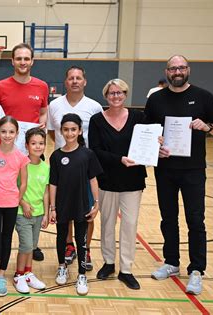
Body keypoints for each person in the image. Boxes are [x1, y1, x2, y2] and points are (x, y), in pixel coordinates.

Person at [145, 55, 213, 295]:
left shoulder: (203, 96)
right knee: (168, 218)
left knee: (195, 220)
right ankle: (171, 262)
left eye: (181, 67)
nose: (177, 72)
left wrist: (208, 127)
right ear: (167, 72)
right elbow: (148, 132)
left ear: (188, 70)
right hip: (165, 169)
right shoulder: (156, 99)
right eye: (173, 68)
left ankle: (197, 270)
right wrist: (154, 143)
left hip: (193, 170)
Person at [89, 79, 147, 290]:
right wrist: (120, 159)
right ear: (106, 96)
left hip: (133, 180)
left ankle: (127, 269)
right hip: (106, 180)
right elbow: (95, 149)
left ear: (125, 94)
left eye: (120, 92)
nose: (116, 96)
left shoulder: (139, 117)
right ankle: (109, 262)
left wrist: (156, 141)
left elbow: (148, 141)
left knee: (129, 225)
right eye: (112, 93)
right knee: (107, 224)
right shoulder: (97, 120)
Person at [47, 65, 103, 270]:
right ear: (65, 81)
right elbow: (53, 133)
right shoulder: (55, 105)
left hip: (83, 166)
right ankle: (69, 245)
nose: (75, 81)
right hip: (63, 167)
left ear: (85, 81)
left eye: (78, 77)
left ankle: (85, 249)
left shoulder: (95, 106)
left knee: (86, 212)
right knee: (65, 211)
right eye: (71, 78)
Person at [49, 113, 102, 296]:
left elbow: (93, 180)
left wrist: (96, 203)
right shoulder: (56, 156)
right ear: (61, 131)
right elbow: (53, 184)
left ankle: (81, 275)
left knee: (81, 240)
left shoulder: (88, 154)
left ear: (80, 131)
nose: (69, 133)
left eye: (73, 129)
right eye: (66, 129)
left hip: (81, 204)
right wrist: (53, 208)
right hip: (62, 205)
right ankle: (62, 266)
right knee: (62, 237)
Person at [0, 116, 29, 297]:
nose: (7, 135)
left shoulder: (21, 157)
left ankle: (1, 274)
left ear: (17, 134)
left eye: (11, 132)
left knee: (6, 239)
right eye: (4, 131)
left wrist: (17, 198)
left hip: (10, 204)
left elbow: (23, 182)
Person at [0, 43, 48, 155]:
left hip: (32, 150)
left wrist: (42, 124)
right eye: (18, 59)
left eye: (26, 59)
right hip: (6, 149)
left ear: (32, 61)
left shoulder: (42, 86)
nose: (22, 62)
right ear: (12, 61)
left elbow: (43, 112)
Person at [13, 127, 49, 294]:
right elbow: (13, 187)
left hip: (39, 213)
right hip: (22, 213)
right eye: (33, 143)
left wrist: (47, 213)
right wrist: (23, 203)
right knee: (26, 245)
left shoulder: (45, 167)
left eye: (41, 143)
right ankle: (18, 275)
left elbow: (46, 191)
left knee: (32, 246)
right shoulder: (21, 164)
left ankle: (28, 273)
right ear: (26, 145)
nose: (38, 146)